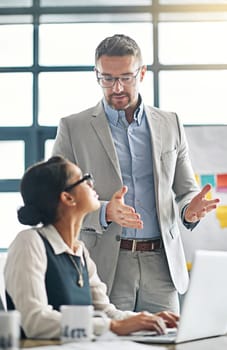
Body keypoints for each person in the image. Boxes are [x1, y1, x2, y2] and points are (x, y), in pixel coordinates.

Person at [52, 34, 220, 315]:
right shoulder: (73, 127)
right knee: (109, 345)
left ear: (141, 73)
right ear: (97, 75)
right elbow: (57, 197)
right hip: (105, 266)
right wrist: (105, 211)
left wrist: (189, 211)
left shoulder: (170, 123)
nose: (117, 87)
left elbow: (185, 190)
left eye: (126, 77)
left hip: (162, 267)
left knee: (168, 343)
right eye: (107, 78)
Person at [4, 156, 178, 339]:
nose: (91, 183)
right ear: (68, 197)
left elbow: (106, 312)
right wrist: (113, 326)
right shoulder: (29, 243)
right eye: (83, 179)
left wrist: (148, 319)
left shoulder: (79, 251)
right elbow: (35, 321)